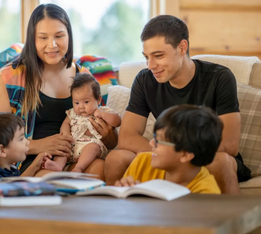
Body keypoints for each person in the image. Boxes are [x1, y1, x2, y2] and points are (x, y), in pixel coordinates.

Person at [104, 14, 251, 193]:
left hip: (206, 155)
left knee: (221, 162)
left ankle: (230, 220)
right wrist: (166, 155)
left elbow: (229, 144)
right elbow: (127, 138)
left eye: (158, 56)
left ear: (182, 47)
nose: (150, 65)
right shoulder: (144, 80)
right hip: (166, 153)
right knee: (116, 158)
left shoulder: (220, 77)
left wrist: (179, 154)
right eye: (146, 57)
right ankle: (116, 217)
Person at [0, 3, 117, 180]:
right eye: (43, 37)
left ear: (69, 36)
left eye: (59, 36)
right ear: (33, 39)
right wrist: (38, 146)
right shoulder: (11, 78)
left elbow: (109, 136)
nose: (51, 45)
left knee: (98, 169)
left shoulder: (84, 77)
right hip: (31, 160)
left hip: (78, 154)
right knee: (51, 179)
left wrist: (109, 136)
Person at [115, 105, 221, 194]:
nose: (151, 143)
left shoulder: (206, 193)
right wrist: (124, 195)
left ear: (186, 155)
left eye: (158, 141)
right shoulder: (142, 162)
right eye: (154, 137)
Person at [43, 73, 121, 172]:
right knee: (62, 150)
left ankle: (79, 168)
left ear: (98, 100)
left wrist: (101, 113)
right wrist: (66, 134)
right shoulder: (72, 113)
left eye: (86, 102)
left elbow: (117, 121)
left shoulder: (102, 111)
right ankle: (57, 166)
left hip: (91, 144)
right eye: (76, 103)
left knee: (92, 148)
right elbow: (65, 123)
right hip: (73, 145)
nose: (81, 106)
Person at [0, 112, 51, 178]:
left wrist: (35, 165)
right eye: (21, 139)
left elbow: (17, 184)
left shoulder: (10, 169)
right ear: (1, 150)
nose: (27, 142)